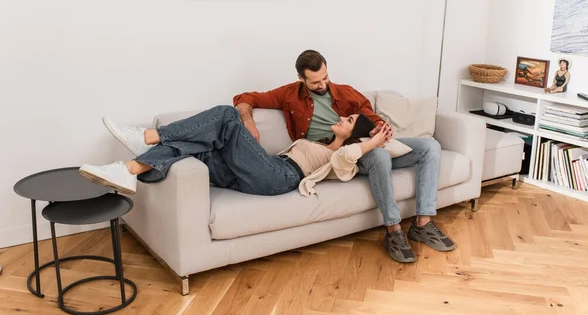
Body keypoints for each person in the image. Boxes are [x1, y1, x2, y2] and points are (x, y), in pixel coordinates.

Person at [233, 49, 455, 263]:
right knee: (378, 156)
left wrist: (377, 127)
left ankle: (423, 224)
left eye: (325, 78)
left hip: (362, 144)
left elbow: (369, 114)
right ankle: (393, 230)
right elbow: (246, 98)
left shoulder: (345, 92)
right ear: (301, 78)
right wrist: (248, 120)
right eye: (315, 82)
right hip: (341, 154)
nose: (322, 85)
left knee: (430, 146)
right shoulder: (289, 94)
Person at [78, 105, 393, 197]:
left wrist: (375, 142)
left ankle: (147, 137)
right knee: (198, 146)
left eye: (348, 120)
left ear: (355, 137)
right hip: (264, 168)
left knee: (227, 115)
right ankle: (129, 170)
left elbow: (351, 156)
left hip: (278, 177)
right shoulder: (323, 144)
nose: (341, 118)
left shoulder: (343, 159)